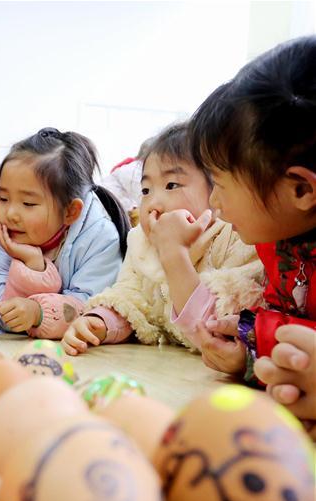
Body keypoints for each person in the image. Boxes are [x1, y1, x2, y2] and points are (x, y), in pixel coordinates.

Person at [190, 36, 316, 421]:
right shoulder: (277, 242)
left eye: (222, 184)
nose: (214, 203)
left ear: (301, 189)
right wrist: (249, 348)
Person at [62, 123, 263, 356]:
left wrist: (173, 251)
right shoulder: (140, 241)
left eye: (171, 185)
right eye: (146, 190)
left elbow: (221, 325)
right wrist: (101, 321)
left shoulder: (234, 236)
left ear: (216, 191)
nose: (153, 204)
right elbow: (130, 295)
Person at [0, 128, 130, 339]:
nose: (10, 213)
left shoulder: (100, 239)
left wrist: (38, 312)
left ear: (71, 211)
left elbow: (90, 305)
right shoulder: (7, 232)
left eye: (28, 203)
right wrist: (32, 266)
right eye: (4, 198)